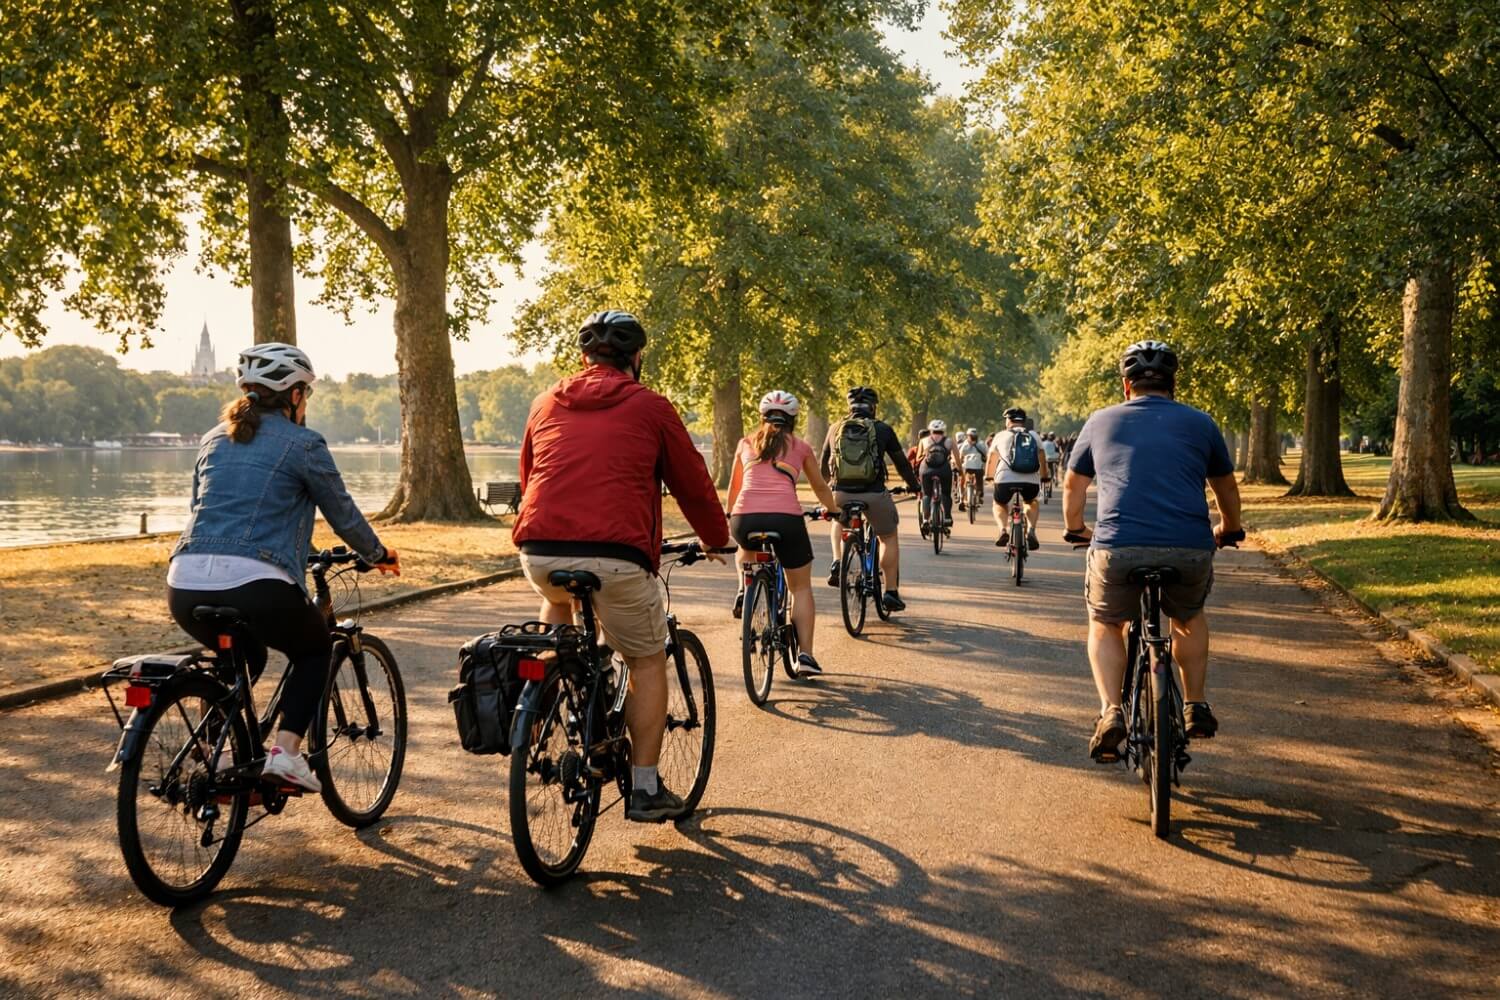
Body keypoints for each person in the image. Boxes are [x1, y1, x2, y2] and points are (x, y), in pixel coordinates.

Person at [512, 310, 730, 822]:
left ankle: (550, 696)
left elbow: (529, 475)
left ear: (584, 358)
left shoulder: (545, 401)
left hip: (540, 550)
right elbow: (692, 481)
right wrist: (717, 538)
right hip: (617, 555)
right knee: (646, 658)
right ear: (636, 358)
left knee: (556, 599)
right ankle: (647, 788)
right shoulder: (650, 405)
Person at [168, 343, 400, 793]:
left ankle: (217, 755)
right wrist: (377, 554)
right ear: (294, 395)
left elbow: (205, 508)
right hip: (256, 583)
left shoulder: (212, 438)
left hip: (184, 581)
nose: (306, 403)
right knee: (314, 650)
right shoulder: (304, 444)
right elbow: (343, 513)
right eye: (306, 394)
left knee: (243, 656)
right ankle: (286, 755)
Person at [1062, 340, 1244, 762]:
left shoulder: (1101, 421)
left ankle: (1111, 712)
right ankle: (1195, 704)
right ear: (1173, 385)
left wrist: (1077, 529)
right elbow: (1226, 487)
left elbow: (1074, 485)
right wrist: (1230, 528)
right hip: (1189, 548)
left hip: (1117, 545)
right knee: (1187, 617)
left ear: (1127, 385)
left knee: (1107, 623)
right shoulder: (1201, 423)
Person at [726, 390, 841, 676]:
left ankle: (745, 586)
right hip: (786, 519)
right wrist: (834, 511)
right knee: (799, 587)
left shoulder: (745, 443)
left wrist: (731, 517)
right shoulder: (800, 446)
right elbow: (820, 487)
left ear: (762, 417)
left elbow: (734, 490)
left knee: (745, 550)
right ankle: (805, 656)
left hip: (745, 518)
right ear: (793, 419)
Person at [821, 386, 920, 612]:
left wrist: (828, 487)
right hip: (874, 493)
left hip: (841, 492)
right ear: (873, 407)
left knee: (838, 519)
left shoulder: (835, 428)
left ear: (850, 407)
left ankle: (838, 561)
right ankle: (891, 592)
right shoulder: (882, 429)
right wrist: (914, 486)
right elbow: (901, 463)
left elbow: (823, 464)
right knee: (887, 536)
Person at [985, 407, 1049, 551]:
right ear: (1024, 422)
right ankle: (1031, 530)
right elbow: (1042, 458)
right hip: (1030, 480)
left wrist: (989, 476)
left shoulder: (1000, 436)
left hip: (1004, 479)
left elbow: (991, 460)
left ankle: (1003, 530)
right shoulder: (1034, 435)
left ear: (1008, 420)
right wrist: (1044, 476)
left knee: (999, 503)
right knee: (1031, 501)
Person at [916, 419, 956, 531]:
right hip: (944, 470)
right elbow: (957, 460)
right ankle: (947, 517)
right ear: (943, 430)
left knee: (927, 494)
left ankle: (925, 520)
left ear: (930, 430)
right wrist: (961, 472)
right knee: (946, 493)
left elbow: (918, 459)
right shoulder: (949, 441)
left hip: (927, 470)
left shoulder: (924, 440)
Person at [957, 428, 987, 510]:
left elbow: (961, 455)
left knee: (962, 480)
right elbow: (986, 454)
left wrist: (959, 464)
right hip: (978, 467)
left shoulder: (965, 443)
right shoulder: (981, 443)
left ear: (967, 436)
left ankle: (961, 499)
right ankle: (980, 494)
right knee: (979, 481)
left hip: (967, 467)